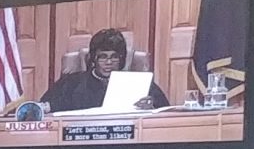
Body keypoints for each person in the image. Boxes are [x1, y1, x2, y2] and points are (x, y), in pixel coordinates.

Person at [40, 28, 170, 112]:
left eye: (114, 57)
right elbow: (42, 109)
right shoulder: (70, 83)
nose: (108, 62)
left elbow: (164, 111)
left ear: (122, 59)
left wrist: (151, 107)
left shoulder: (140, 84)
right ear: (93, 58)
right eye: (103, 57)